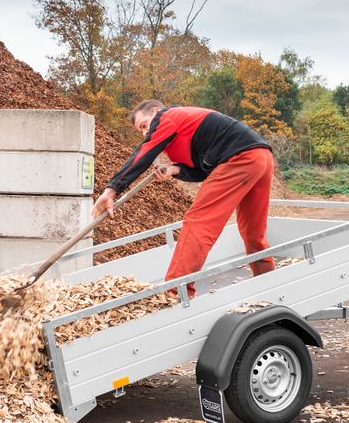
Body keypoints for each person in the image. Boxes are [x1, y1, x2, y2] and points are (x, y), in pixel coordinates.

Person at [92, 100, 276, 298]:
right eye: (141, 131)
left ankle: (176, 292)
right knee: (252, 231)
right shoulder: (184, 129)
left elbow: (144, 152)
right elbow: (200, 172)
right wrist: (173, 169)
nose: (146, 133)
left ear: (156, 112)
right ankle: (269, 284)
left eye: (145, 125)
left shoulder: (166, 117)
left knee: (200, 220)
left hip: (240, 158)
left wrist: (111, 190)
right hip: (261, 157)